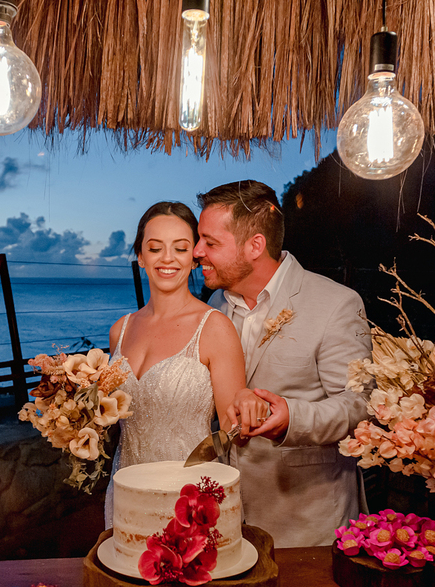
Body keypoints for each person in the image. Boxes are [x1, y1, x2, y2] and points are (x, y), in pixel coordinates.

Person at [192, 180, 372, 547]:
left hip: (308, 521)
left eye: (210, 243)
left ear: (255, 245)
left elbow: (360, 406)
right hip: (228, 519)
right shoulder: (214, 311)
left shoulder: (334, 303)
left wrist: (292, 417)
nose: (197, 252)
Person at [103, 201, 246, 528]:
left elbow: (233, 429)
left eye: (180, 248)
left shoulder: (214, 327)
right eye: (155, 248)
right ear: (141, 256)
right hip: (124, 491)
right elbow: (114, 420)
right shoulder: (120, 330)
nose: (167, 258)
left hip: (189, 500)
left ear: (193, 257)